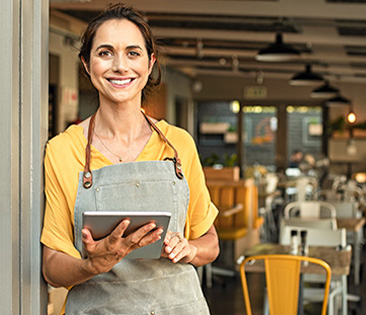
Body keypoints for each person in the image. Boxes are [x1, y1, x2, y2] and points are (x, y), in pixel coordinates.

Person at [41, 4, 219, 314]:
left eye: (133, 53)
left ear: (150, 63)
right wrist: (93, 264)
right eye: (105, 53)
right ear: (86, 63)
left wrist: (188, 249)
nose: (120, 66)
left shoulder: (178, 146)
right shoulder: (62, 151)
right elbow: (52, 266)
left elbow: (210, 243)